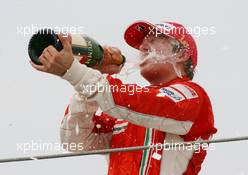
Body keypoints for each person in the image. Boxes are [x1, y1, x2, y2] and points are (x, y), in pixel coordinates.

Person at [30, 21, 217, 175]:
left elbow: (139, 102)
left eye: (154, 39)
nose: (143, 47)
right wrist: (92, 73)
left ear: (182, 54)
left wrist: (74, 71)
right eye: (142, 43)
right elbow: (75, 139)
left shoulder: (191, 95)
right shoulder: (125, 112)